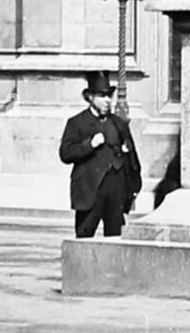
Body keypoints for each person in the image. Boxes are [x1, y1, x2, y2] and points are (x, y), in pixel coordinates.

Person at [58, 71, 142, 239]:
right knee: (84, 238)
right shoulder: (77, 123)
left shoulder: (118, 123)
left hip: (115, 191)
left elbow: (132, 159)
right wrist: (90, 144)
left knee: (115, 241)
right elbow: (65, 153)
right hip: (90, 191)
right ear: (90, 97)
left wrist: (133, 188)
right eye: (102, 96)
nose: (107, 100)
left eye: (109, 96)